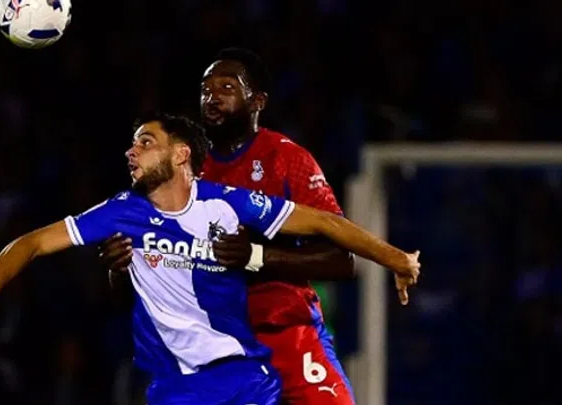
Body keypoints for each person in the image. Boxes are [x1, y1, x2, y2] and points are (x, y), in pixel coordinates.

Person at [0, 113, 420, 405]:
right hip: (174, 387)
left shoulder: (227, 203)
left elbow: (323, 223)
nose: (131, 151)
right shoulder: (121, 212)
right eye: (132, 144)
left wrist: (396, 258)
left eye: (145, 142)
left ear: (181, 155)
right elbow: (33, 243)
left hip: (245, 378)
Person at [101, 49, 414, 404]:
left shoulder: (287, 160)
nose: (212, 97)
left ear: (257, 101)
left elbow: (342, 262)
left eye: (226, 87)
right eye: (205, 89)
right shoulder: (178, 171)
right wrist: (120, 266)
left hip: (288, 335)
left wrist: (255, 257)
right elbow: (147, 276)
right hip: (211, 349)